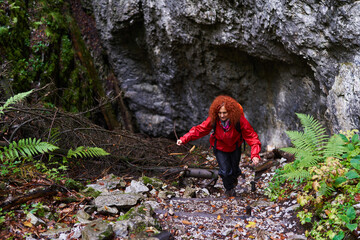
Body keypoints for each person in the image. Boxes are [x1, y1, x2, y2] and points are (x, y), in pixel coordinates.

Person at [176, 95, 261, 197]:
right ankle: (229, 189)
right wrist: (184, 139)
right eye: (220, 113)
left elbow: (251, 136)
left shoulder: (239, 120)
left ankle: (235, 175)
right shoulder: (214, 119)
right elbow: (200, 130)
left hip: (235, 147)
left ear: (230, 112)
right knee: (225, 172)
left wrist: (255, 154)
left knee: (234, 170)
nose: (222, 115)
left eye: (224, 113)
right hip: (220, 148)